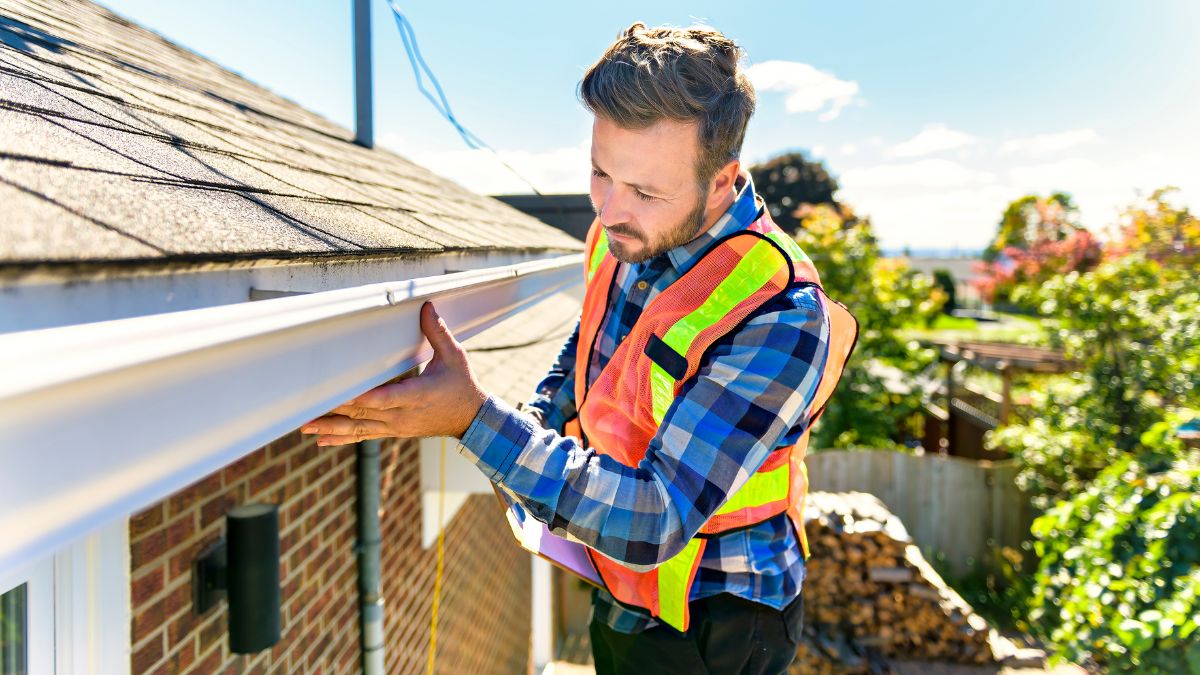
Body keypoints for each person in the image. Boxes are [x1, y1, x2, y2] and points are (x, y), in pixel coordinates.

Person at [302, 22, 857, 675]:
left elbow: (656, 518)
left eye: (645, 190)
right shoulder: (623, 233)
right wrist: (537, 417)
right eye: (600, 172)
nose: (612, 208)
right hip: (620, 584)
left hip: (717, 621)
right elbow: (589, 343)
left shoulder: (780, 314)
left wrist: (474, 420)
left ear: (722, 179)